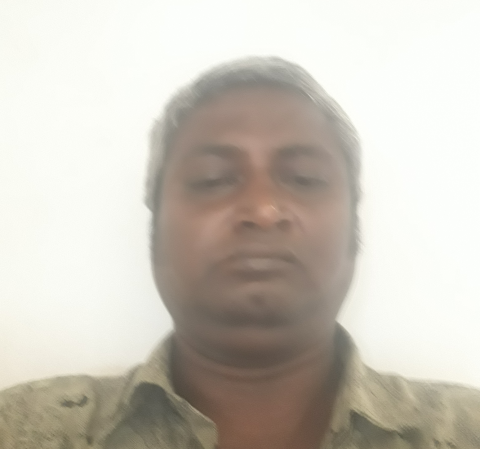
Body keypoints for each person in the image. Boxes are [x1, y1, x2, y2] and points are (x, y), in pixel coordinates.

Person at [0, 57, 479, 449]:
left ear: (354, 228)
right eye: (212, 179)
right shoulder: (22, 429)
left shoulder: (465, 430)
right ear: (155, 227)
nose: (263, 210)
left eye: (305, 179)